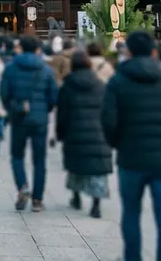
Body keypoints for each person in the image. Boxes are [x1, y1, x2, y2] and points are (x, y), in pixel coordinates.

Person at [102, 30, 161, 261]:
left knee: (131, 213)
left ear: (128, 52)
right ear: (153, 52)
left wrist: (118, 143)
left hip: (130, 157)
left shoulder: (117, 82)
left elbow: (108, 122)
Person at [0, 35, 59, 212]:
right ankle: (37, 200)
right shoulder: (46, 69)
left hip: (19, 117)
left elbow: (3, 92)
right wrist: (45, 110)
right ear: (37, 49)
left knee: (17, 155)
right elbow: (53, 95)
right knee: (39, 159)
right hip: (40, 118)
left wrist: (11, 108)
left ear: (20, 48)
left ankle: (22, 187)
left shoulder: (11, 67)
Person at [56, 51, 112, 219]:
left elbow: (62, 114)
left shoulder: (67, 86)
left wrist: (60, 133)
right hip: (98, 131)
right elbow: (108, 111)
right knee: (97, 169)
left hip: (75, 130)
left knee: (75, 166)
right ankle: (96, 204)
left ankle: (76, 197)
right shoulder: (100, 86)